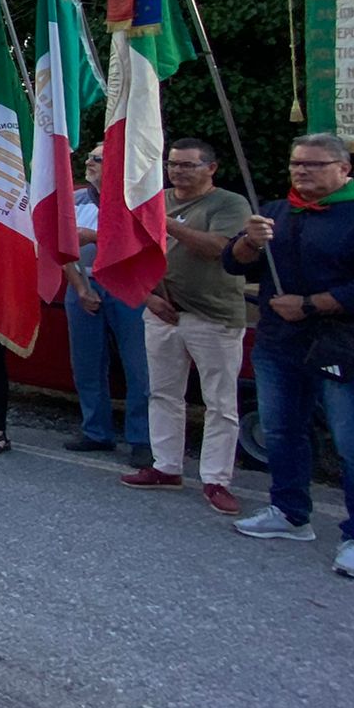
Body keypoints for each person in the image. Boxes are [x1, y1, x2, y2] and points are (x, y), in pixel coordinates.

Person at [224, 133, 354, 580]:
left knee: (353, 443)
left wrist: (312, 304)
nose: (302, 171)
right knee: (282, 430)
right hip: (278, 341)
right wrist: (248, 242)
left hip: (342, 343)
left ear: (344, 170)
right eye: (295, 164)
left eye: (314, 164)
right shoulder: (275, 212)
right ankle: (289, 512)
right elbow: (235, 263)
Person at [124, 138, 251, 512]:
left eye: (187, 165)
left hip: (213, 314)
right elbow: (135, 254)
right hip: (163, 310)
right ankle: (166, 466)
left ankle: (216, 479)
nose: (177, 171)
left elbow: (220, 249)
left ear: (211, 168)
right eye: (173, 164)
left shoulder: (228, 204)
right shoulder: (157, 199)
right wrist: (147, 296)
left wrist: (165, 224)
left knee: (220, 401)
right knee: (163, 393)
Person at [63, 149, 152, 463]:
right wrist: (80, 287)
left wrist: (95, 237)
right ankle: (96, 431)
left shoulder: (136, 200)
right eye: (88, 157)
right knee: (86, 363)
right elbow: (60, 247)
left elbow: (144, 244)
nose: (89, 162)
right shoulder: (75, 199)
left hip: (128, 287)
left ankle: (142, 438)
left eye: (98, 158)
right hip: (83, 284)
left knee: (138, 366)